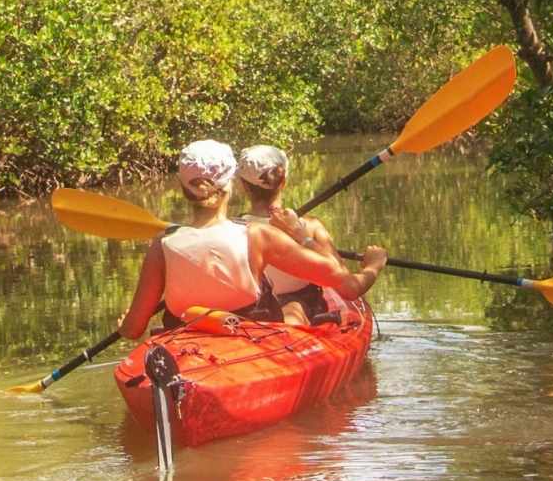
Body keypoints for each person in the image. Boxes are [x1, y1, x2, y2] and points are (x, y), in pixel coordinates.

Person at [116, 139, 383, 343]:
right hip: (251, 344)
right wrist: (373, 266)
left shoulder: (162, 244)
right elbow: (347, 286)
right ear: (230, 184)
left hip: (187, 349)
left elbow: (132, 329)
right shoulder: (256, 235)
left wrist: (126, 320)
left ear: (181, 186)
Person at [236, 144, 354, 325]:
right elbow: (345, 283)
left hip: (254, 310)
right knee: (295, 308)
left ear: (243, 186)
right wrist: (374, 265)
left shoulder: (231, 228)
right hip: (301, 308)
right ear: (283, 182)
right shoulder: (311, 226)